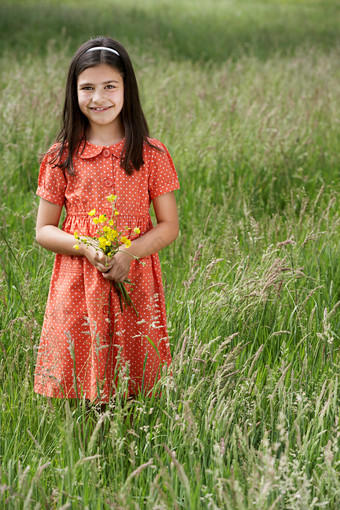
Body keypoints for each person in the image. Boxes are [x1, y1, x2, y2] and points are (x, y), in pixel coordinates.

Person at [34, 36, 180, 403]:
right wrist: (83, 247)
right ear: (74, 93)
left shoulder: (151, 153)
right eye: (87, 88)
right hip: (78, 278)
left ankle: (131, 446)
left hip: (134, 275)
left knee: (134, 383)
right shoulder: (61, 156)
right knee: (78, 382)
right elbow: (43, 230)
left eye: (109, 86)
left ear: (127, 88)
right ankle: (84, 448)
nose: (99, 98)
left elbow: (169, 225)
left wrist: (129, 252)